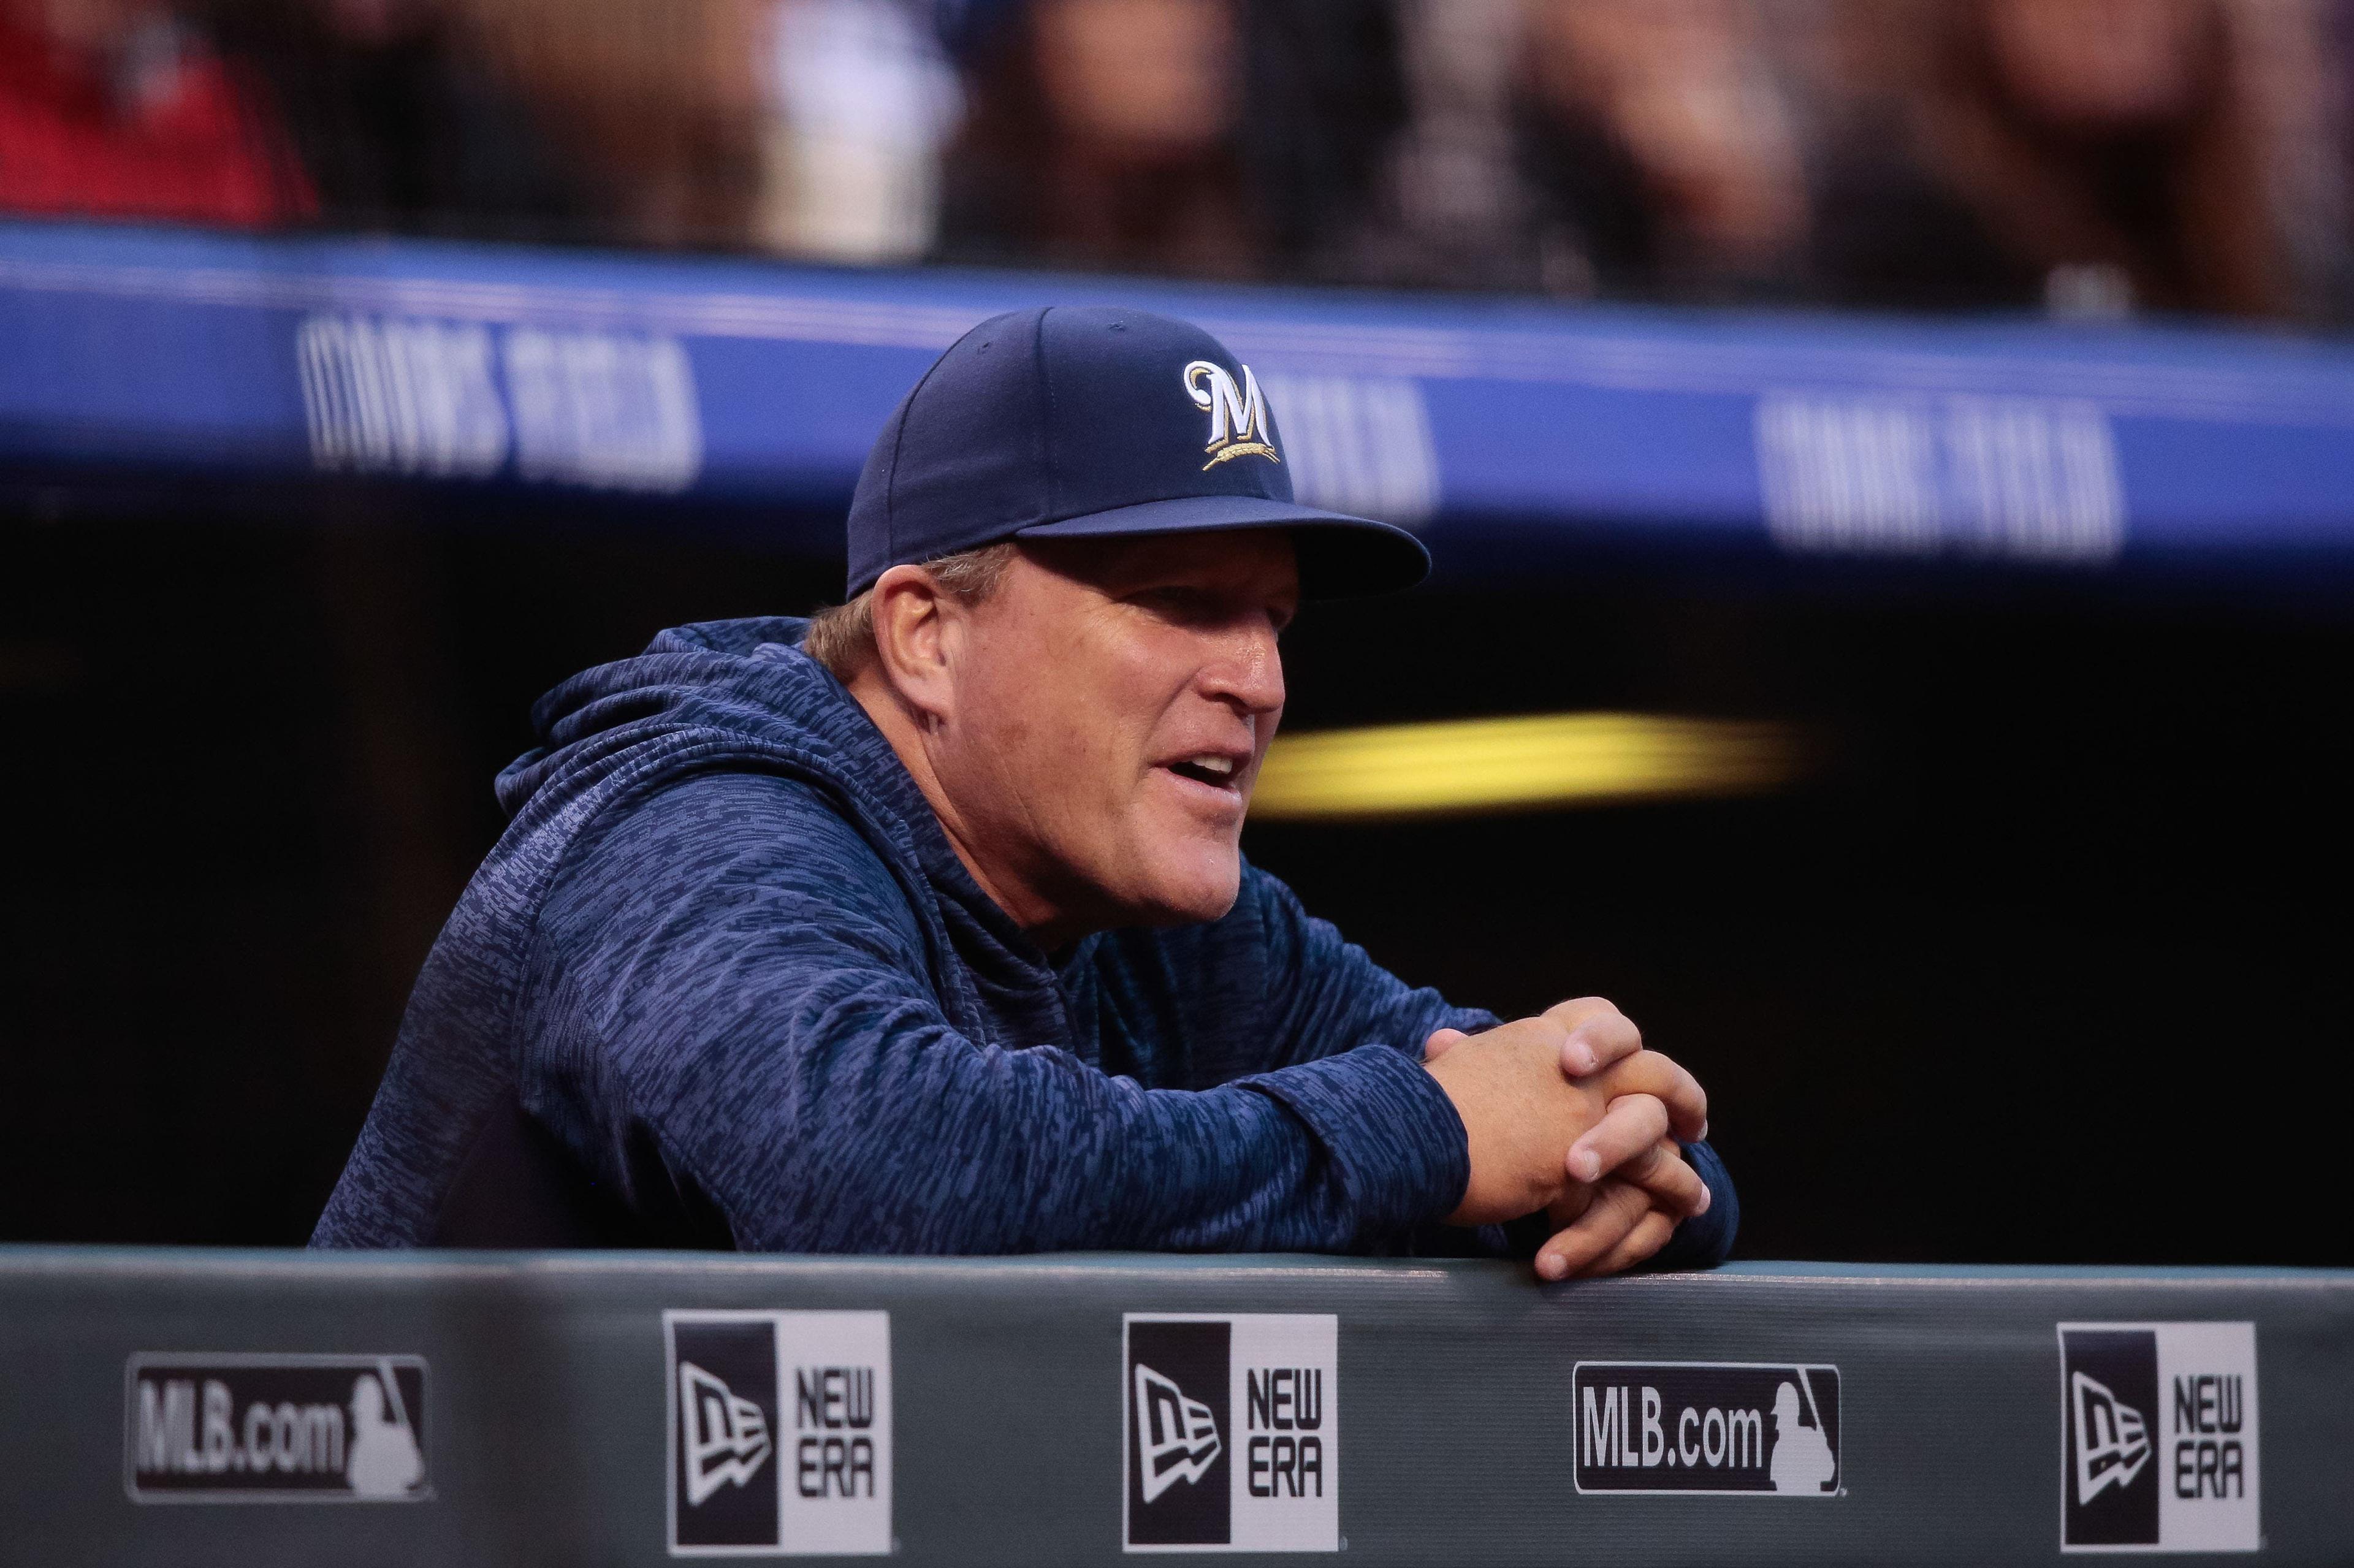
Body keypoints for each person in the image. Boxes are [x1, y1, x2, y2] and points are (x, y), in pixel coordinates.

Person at [313, 306, 1737, 1281]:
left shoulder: (1171, 926)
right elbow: (876, 1166)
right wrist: (1422, 1140)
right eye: (1181, 604)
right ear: (927, 633)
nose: (1257, 679)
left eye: (1275, 620)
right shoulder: (691, 826)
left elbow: (1535, 1116)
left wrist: (1625, 1157)